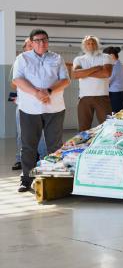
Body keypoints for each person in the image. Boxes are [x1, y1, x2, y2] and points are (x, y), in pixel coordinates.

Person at [12, 29, 70, 192]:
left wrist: (49, 91)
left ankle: (54, 178)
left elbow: (65, 80)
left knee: (55, 145)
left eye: (44, 40)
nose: (41, 43)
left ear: (48, 41)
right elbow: (17, 79)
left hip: (55, 108)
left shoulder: (57, 58)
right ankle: (26, 179)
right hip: (29, 109)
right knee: (29, 146)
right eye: (37, 40)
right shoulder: (22, 58)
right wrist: (36, 93)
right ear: (31, 42)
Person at [11, 38, 48, 171]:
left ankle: (44, 159)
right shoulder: (19, 61)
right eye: (28, 45)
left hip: (43, 105)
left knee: (42, 134)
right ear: (25, 48)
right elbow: (13, 83)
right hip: (23, 105)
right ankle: (20, 160)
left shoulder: (46, 61)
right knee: (22, 134)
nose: (32, 47)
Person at [72, 36, 113, 131]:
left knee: (107, 126)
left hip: (102, 96)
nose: (91, 45)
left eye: (93, 43)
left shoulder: (106, 57)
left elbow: (106, 73)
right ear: (84, 46)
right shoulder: (78, 59)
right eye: (88, 43)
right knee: (83, 128)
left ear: (97, 45)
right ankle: (83, 146)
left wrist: (84, 73)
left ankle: (105, 146)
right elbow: (75, 74)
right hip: (84, 98)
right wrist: (96, 68)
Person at [103, 46, 123, 113]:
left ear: (112, 55)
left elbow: (107, 81)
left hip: (115, 95)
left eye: (105, 57)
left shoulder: (114, 67)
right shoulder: (120, 65)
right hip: (121, 94)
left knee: (113, 116)